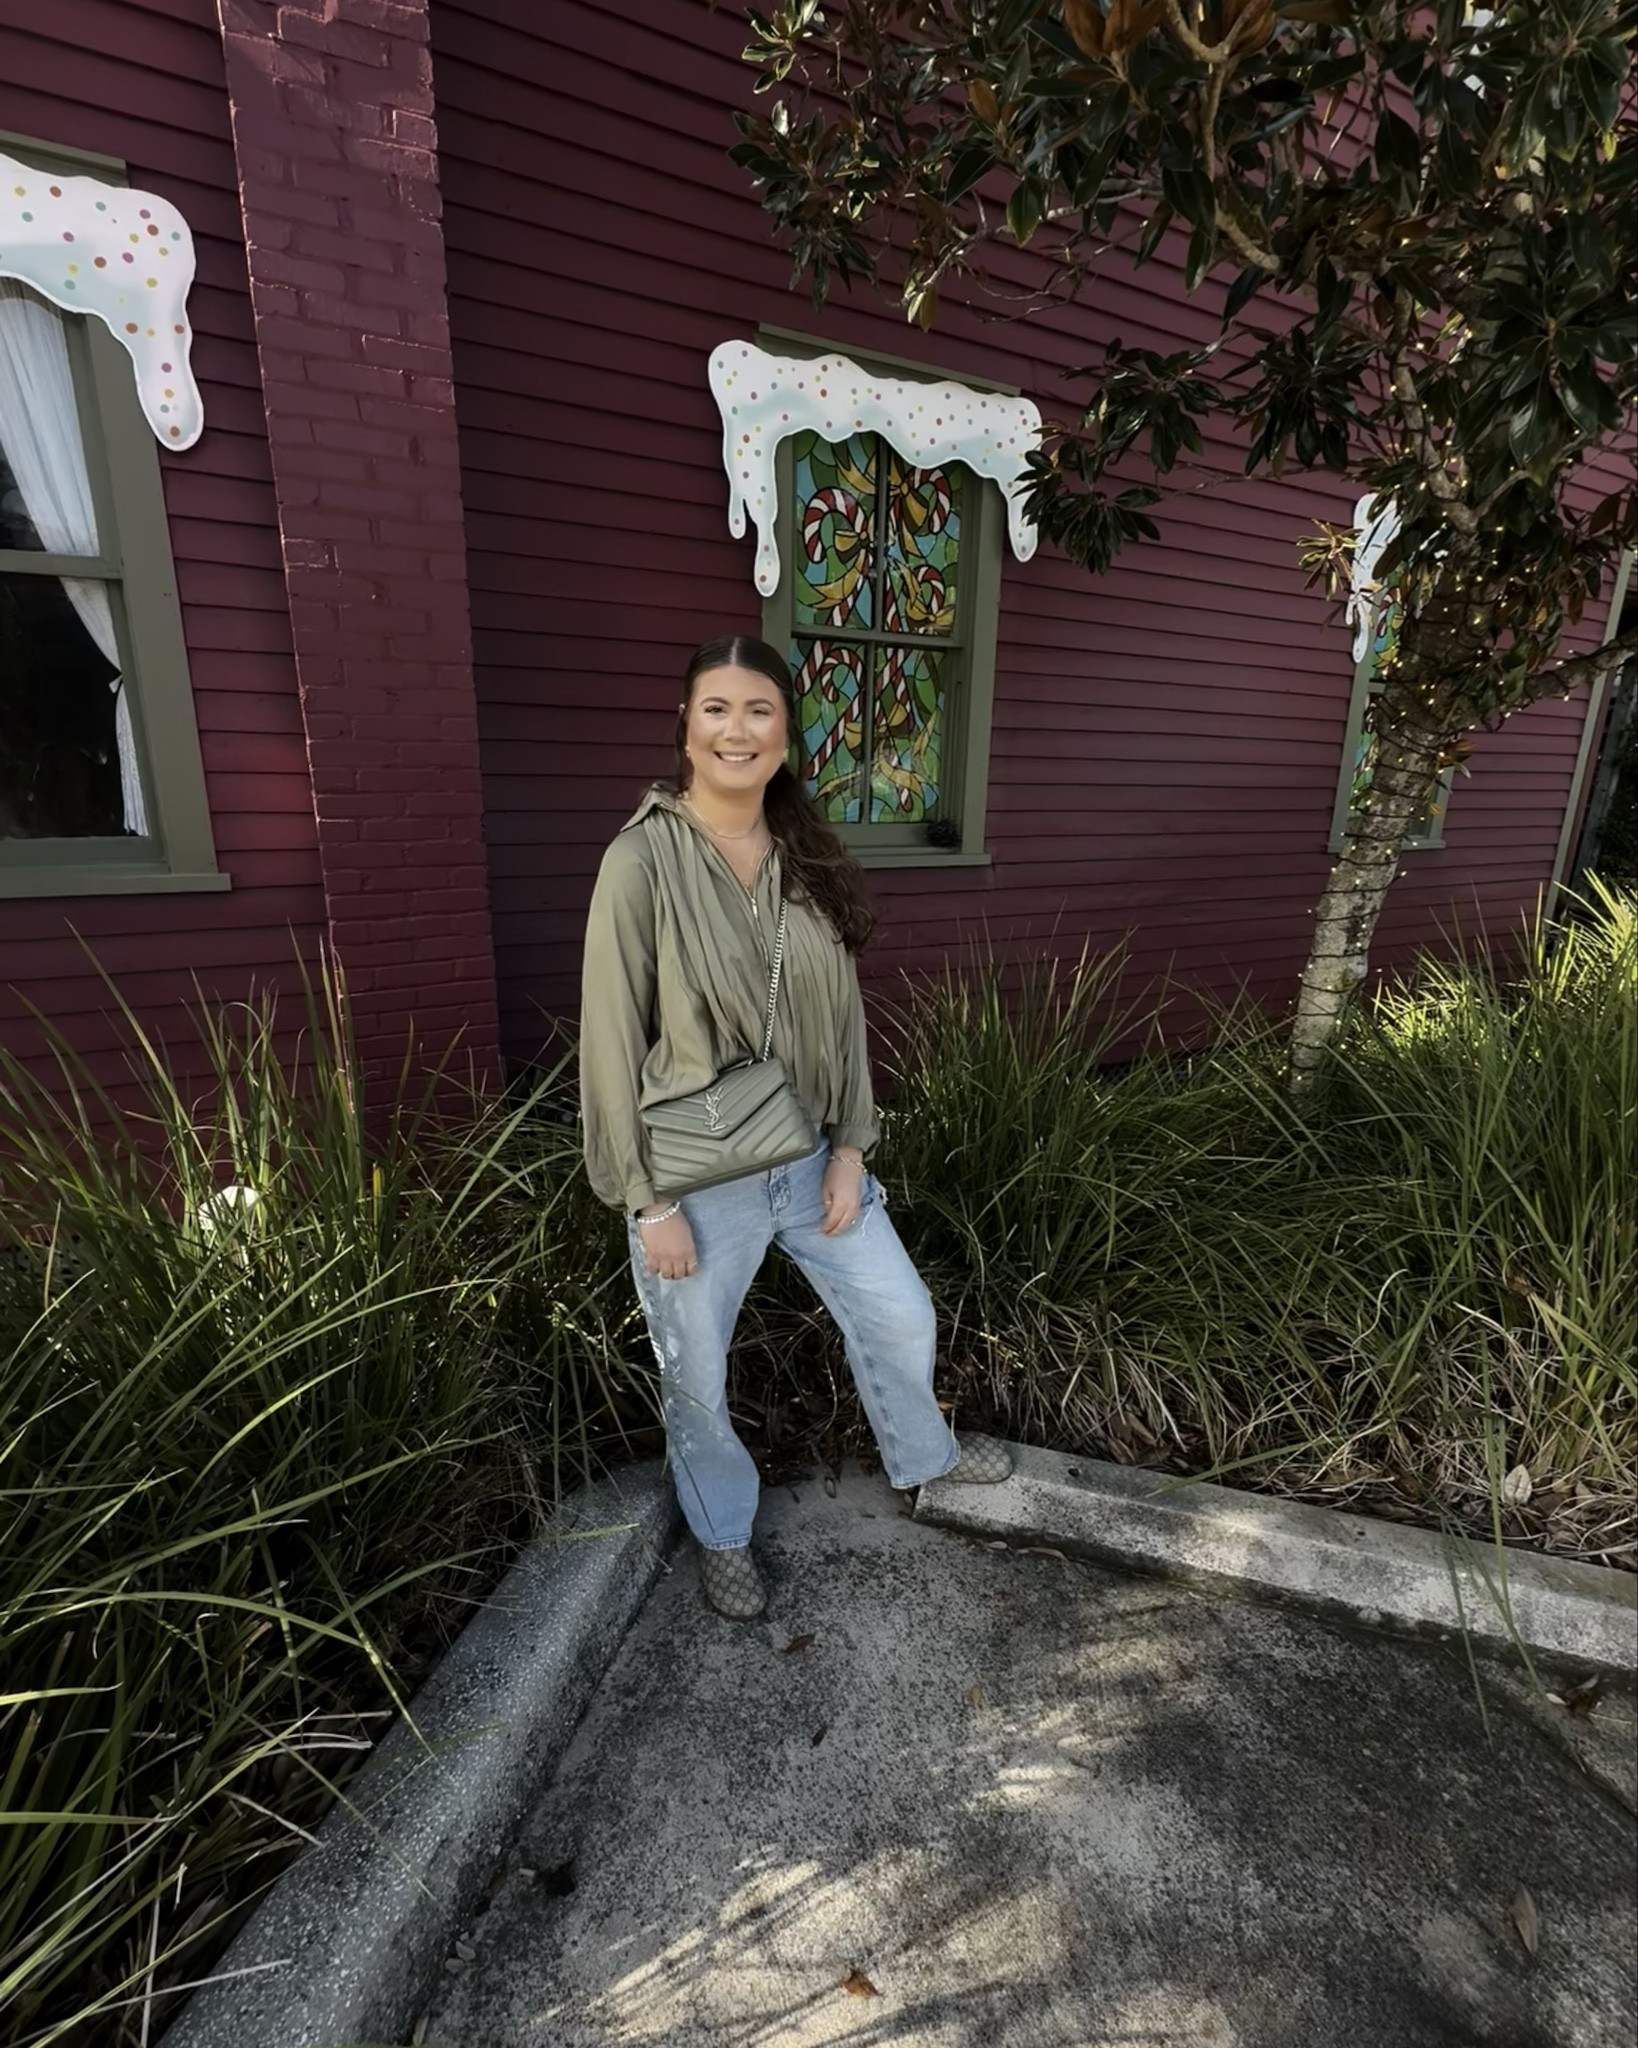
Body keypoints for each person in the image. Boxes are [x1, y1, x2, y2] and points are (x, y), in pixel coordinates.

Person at [580, 635, 1015, 1619]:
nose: (739, 729)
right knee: (696, 1374)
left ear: (786, 732)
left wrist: (853, 1146)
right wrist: (644, 1202)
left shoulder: (808, 851)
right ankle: (724, 1534)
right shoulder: (640, 860)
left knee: (902, 1309)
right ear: (686, 728)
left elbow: (846, 1013)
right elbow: (608, 1036)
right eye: (717, 709)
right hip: (694, 1181)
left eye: (760, 709)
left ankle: (922, 1460)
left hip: (813, 1157)